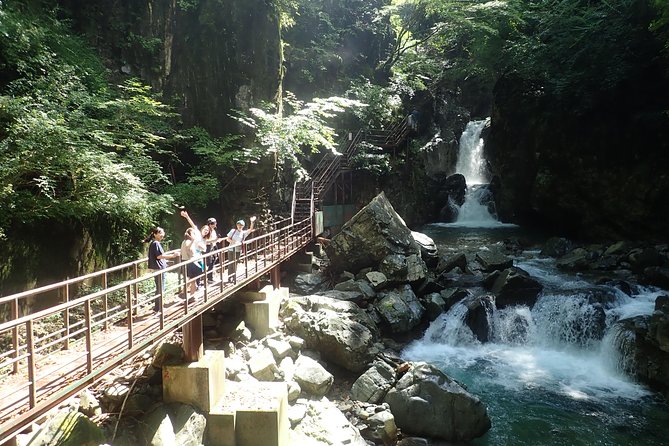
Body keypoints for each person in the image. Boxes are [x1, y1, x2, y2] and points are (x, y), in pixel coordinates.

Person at [145, 227, 180, 312]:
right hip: (159, 269)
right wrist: (173, 256)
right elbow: (159, 256)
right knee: (160, 288)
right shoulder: (156, 243)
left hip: (158, 268)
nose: (162, 234)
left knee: (159, 287)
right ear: (155, 234)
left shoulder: (154, 243)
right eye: (160, 233)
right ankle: (158, 308)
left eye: (163, 233)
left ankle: (158, 307)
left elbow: (159, 256)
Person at [179, 211, 206, 295]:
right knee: (194, 277)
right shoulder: (191, 239)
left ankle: (190, 294)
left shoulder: (197, 238)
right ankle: (187, 293)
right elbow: (188, 248)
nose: (206, 231)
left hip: (194, 259)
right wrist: (187, 217)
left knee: (193, 278)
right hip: (191, 260)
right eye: (205, 229)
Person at [225, 216, 256, 283]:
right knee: (230, 264)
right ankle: (229, 278)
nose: (240, 226)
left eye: (241, 225)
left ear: (243, 226)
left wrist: (252, 222)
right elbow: (227, 239)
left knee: (235, 264)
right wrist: (234, 242)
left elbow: (250, 229)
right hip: (231, 249)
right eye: (239, 225)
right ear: (236, 225)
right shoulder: (233, 231)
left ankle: (234, 277)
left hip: (238, 250)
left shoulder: (243, 233)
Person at [202, 217, 223, 283]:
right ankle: (207, 278)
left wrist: (217, 240)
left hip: (213, 247)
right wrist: (215, 240)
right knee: (208, 263)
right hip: (208, 248)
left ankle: (210, 277)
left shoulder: (213, 230)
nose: (213, 225)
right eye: (211, 223)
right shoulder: (207, 231)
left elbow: (214, 239)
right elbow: (205, 241)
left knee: (213, 261)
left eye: (214, 223)